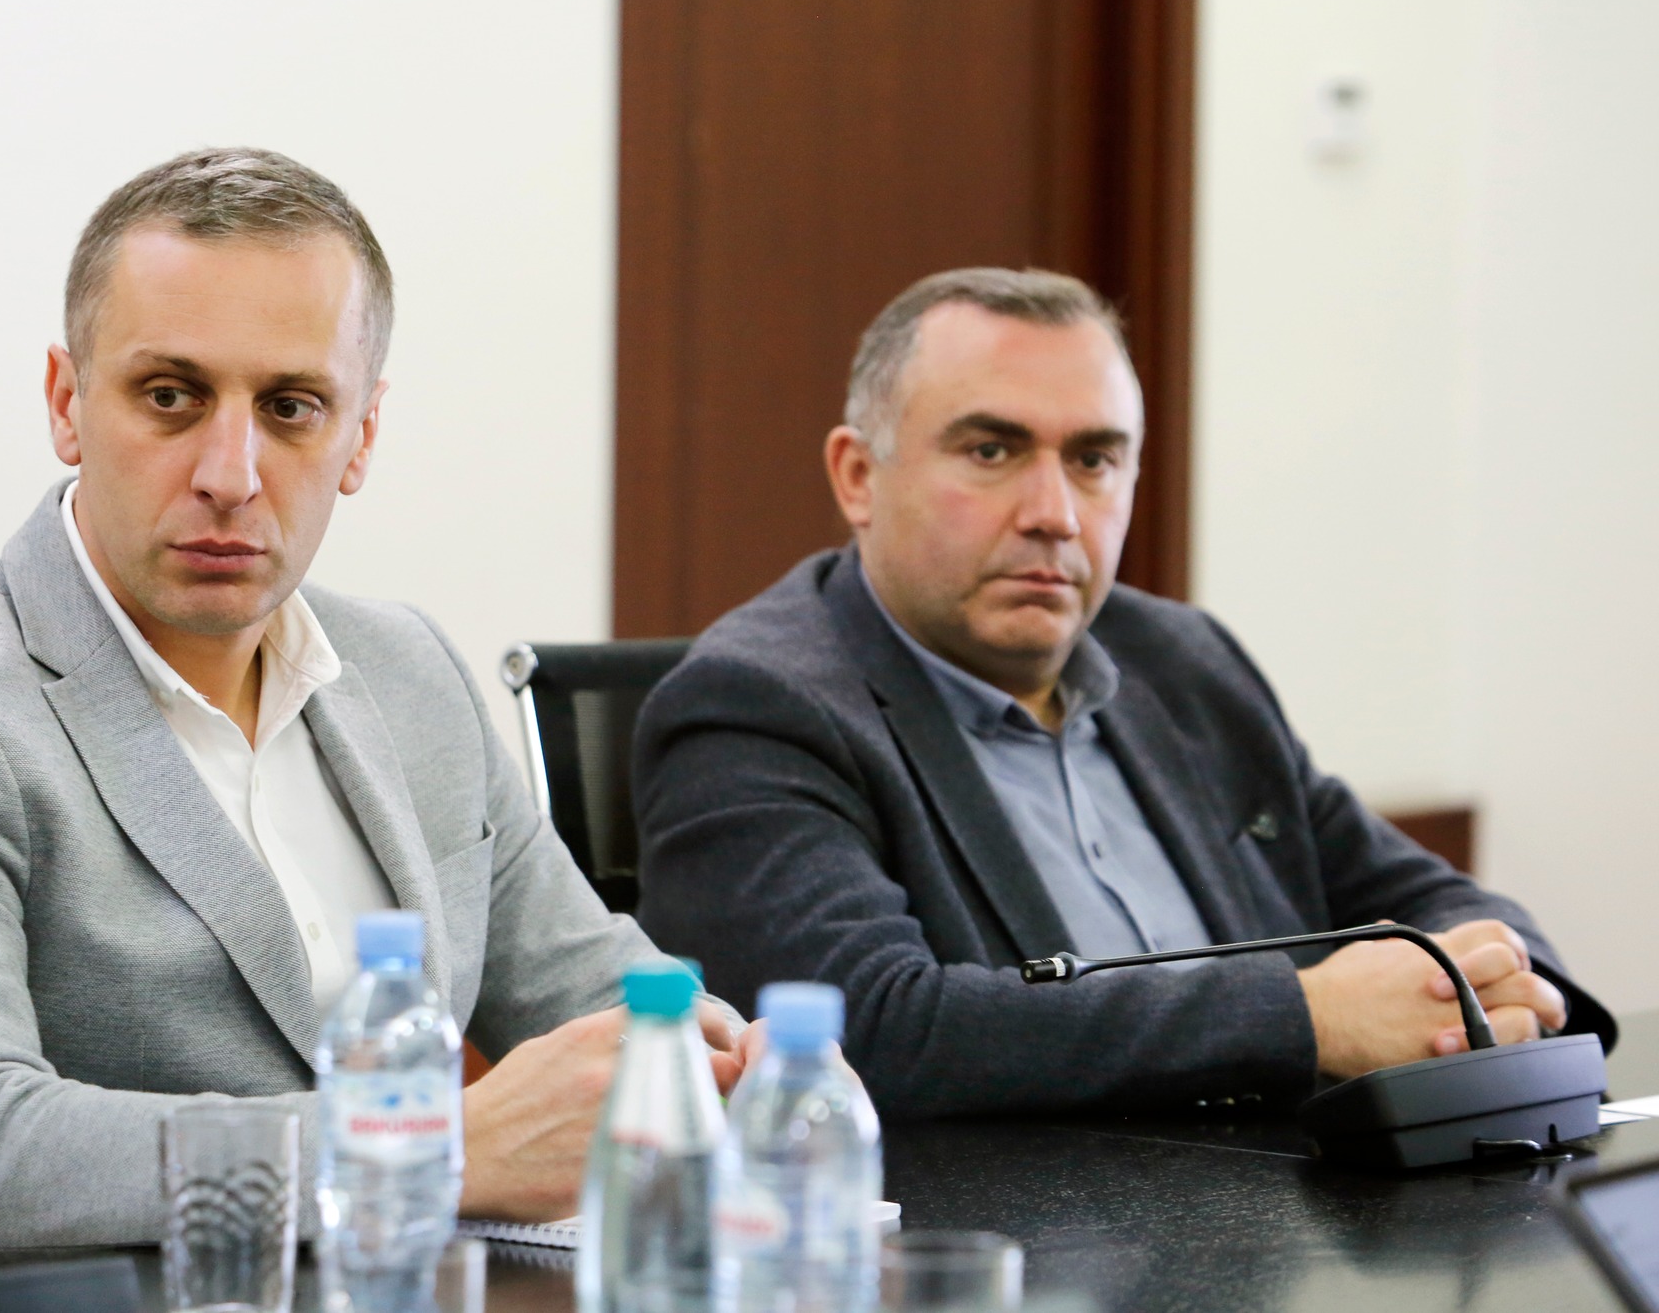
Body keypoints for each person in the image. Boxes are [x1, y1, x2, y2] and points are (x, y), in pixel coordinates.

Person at [0, 148, 748, 1285]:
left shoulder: (409, 670)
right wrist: (426, 1150)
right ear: (67, 404)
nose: (229, 473)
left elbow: (601, 993)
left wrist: (731, 1067)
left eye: (291, 408)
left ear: (360, 437)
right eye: (169, 396)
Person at [631, 266, 1612, 1119]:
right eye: (991, 451)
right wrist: (1304, 1018)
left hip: (1294, 1201)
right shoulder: (753, 707)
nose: (1054, 514)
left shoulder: (1179, 659)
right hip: (1018, 1240)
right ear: (857, 476)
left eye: (1093, 460)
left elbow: (1409, 891)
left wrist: (1507, 983)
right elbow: (874, 1031)